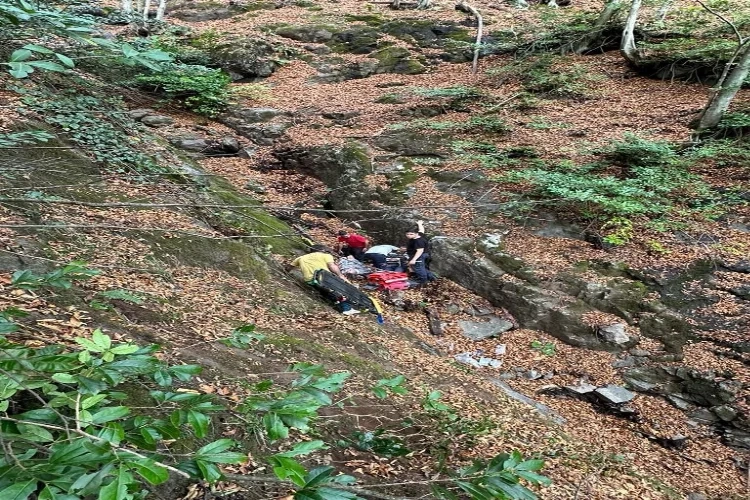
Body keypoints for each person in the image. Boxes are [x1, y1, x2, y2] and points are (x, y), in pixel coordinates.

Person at [291, 246, 361, 315]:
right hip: (324, 278)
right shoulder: (326, 256)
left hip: (310, 281)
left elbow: (289, 267)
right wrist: (340, 276)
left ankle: (337, 304)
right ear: (322, 250)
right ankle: (347, 309)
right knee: (340, 291)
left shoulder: (300, 258)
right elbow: (332, 266)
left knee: (327, 292)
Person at [405, 220, 436, 285]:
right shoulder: (419, 235)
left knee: (419, 268)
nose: (409, 236)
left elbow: (420, 251)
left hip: (419, 256)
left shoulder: (418, 241)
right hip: (422, 255)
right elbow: (422, 230)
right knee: (422, 267)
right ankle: (432, 278)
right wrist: (420, 224)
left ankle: (423, 281)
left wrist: (414, 259)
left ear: (416, 234)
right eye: (407, 234)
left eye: (411, 234)